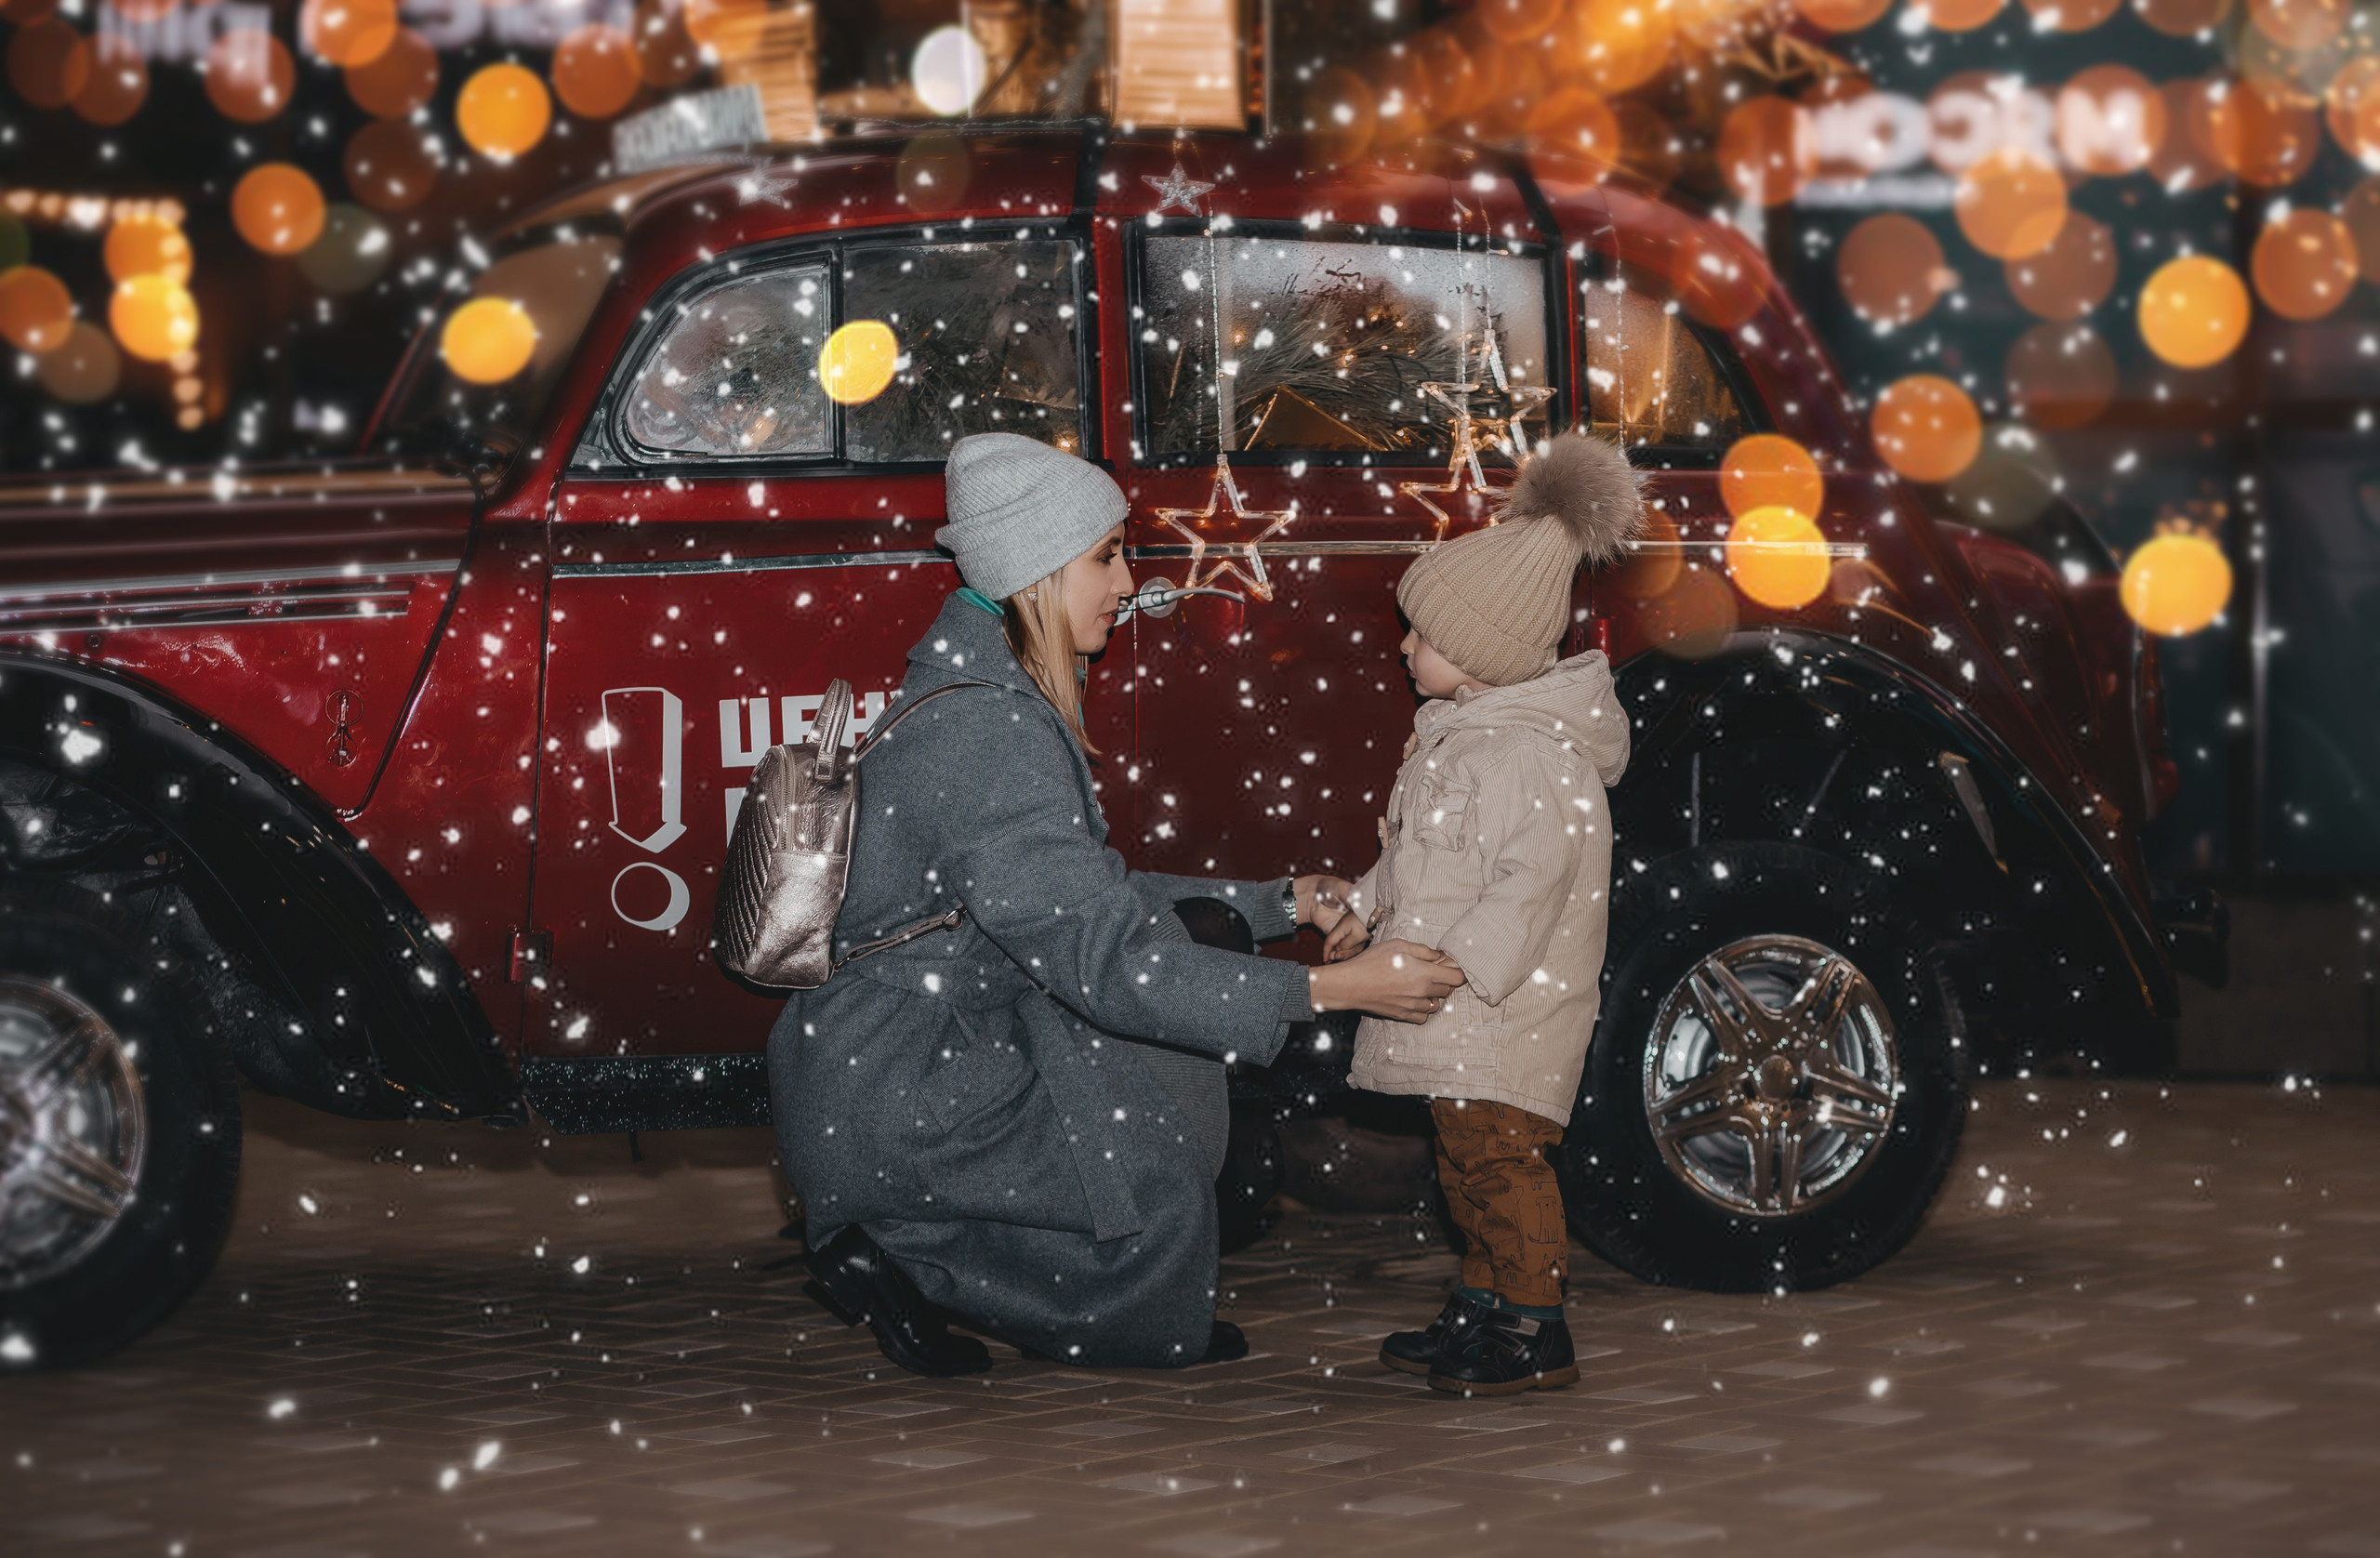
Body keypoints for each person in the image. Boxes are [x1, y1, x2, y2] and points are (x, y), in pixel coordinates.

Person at [769, 431, 1466, 1378]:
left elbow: (1084, 890)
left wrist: (1274, 901)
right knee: (1156, 1107)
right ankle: (911, 1247)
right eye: (1106, 556)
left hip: (882, 1059)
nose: (1128, 580)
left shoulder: (979, 691)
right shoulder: (990, 729)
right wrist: (1328, 992)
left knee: (1186, 968)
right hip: (908, 1086)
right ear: (1037, 571)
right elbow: (1105, 962)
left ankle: (913, 1242)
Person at [1324, 431, 1643, 1396]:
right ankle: (1485, 1299)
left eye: (1419, 634)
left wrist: (1452, 962)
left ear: (1477, 653)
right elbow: (1418, 850)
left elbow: (1528, 884)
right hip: (1459, 1009)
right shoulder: (1458, 740)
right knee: (1464, 1168)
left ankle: (1535, 1323)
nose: (1403, 647)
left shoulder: (1528, 757)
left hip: (1505, 1014)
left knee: (1501, 1167)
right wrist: (1364, 906)